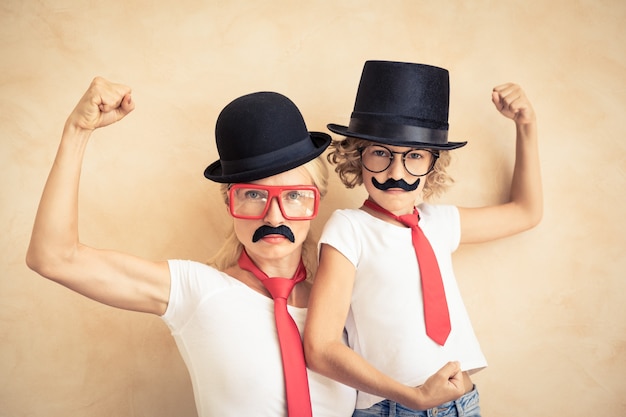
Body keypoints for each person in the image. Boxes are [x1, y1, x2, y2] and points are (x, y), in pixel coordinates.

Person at [26, 76, 466, 417]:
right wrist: (77, 131)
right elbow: (54, 257)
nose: (274, 218)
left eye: (294, 196)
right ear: (229, 202)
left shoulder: (342, 311)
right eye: (254, 195)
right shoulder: (197, 291)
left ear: (317, 202)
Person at [304, 60, 543, 417]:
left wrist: (526, 126)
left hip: (464, 404)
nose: (396, 173)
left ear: (433, 163)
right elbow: (320, 347)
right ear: (358, 155)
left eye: (414, 156)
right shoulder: (349, 229)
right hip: (395, 409)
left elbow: (526, 211)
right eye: (381, 153)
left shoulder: (438, 222)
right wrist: (410, 397)